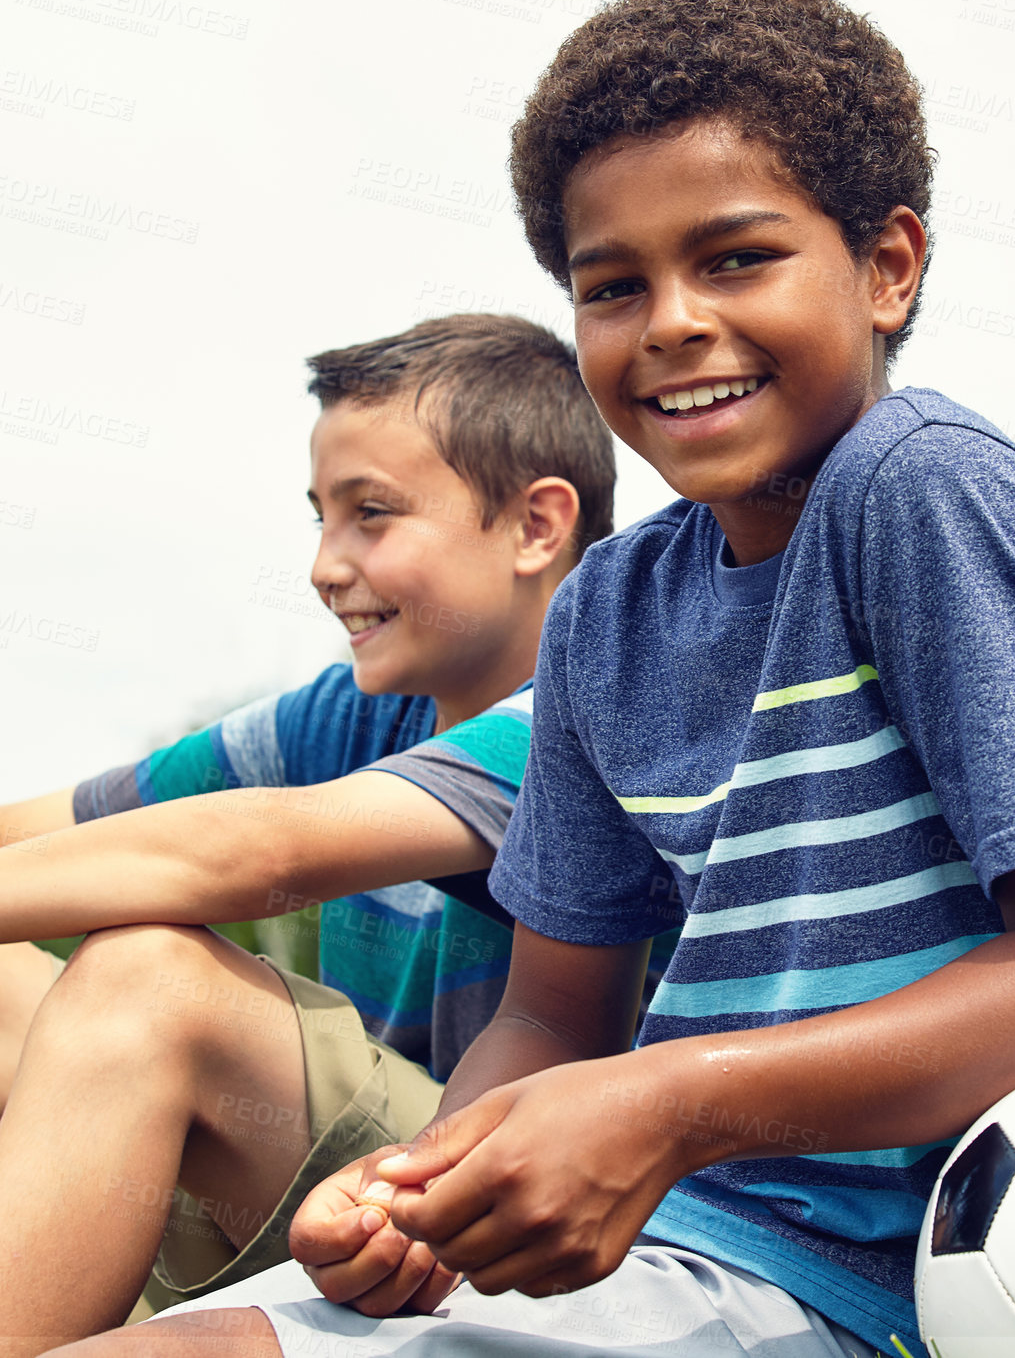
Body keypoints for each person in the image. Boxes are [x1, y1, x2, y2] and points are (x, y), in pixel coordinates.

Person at [57, 0, 1015, 1358]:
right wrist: (426, 1188)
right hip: (638, 1239)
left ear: (887, 267)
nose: (669, 322)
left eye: (734, 258)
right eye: (611, 284)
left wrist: (664, 1106)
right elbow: (548, 1010)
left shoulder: (919, 488)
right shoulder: (609, 611)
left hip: (838, 1279)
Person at [0, 313, 630, 1350]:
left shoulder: (590, 713)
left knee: (147, 979)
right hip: (332, 1187)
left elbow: (254, 852)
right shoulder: (355, 712)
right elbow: (46, 832)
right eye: (320, 519)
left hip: (503, 1206)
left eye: (371, 516)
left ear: (535, 526)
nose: (325, 567)